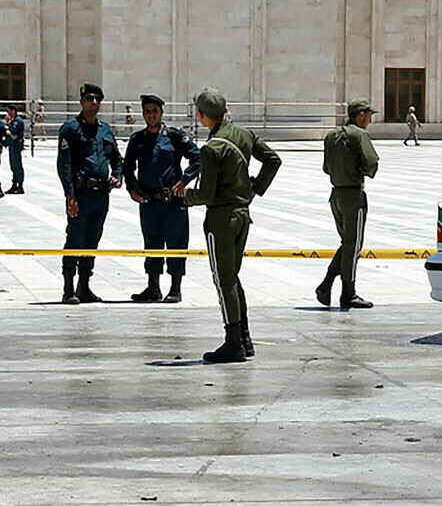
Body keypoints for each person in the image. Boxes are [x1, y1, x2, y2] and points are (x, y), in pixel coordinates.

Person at [184, 88, 281, 363]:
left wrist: (183, 197)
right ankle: (244, 338)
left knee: (223, 279)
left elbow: (206, 194)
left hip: (221, 220)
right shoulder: (244, 134)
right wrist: (255, 188)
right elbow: (273, 160)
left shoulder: (212, 148)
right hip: (242, 215)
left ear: (202, 116)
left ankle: (233, 342)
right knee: (233, 277)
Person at [123, 94, 201, 303]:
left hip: (172, 202)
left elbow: (197, 158)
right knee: (152, 244)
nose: (151, 115)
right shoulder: (137, 140)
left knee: (176, 243)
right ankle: (153, 287)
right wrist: (132, 189)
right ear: (143, 114)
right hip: (149, 202)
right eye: (147, 111)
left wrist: (184, 181)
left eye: (155, 111)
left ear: (161, 113)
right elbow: (127, 168)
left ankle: (175, 288)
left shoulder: (174, 136)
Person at [57, 83, 123, 305]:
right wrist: (69, 195)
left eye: (97, 99)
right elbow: (64, 165)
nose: (93, 102)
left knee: (92, 241)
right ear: (81, 101)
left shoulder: (105, 130)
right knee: (74, 239)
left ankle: (84, 286)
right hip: (81, 195)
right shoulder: (70, 129)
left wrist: (118, 176)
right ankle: (68, 288)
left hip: (101, 195)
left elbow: (116, 158)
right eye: (89, 98)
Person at [315, 98, 379, 309]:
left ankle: (326, 285)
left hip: (336, 195)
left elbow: (326, 168)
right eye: (369, 116)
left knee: (347, 244)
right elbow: (371, 163)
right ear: (361, 115)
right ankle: (347, 293)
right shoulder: (360, 135)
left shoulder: (332, 136)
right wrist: (360, 171)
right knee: (353, 246)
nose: (370, 120)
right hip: (353, 196)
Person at [4, 104, 25, 194]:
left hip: (16, 145)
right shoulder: (13, 121)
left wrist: (7, 124)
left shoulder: (17, 121)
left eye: (9, 111)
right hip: (12, 145)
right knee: (13, 165)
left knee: (17, 166)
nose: (8, 113)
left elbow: (13, 133)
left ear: (13, 111)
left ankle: (19, 186)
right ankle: (14, 184)